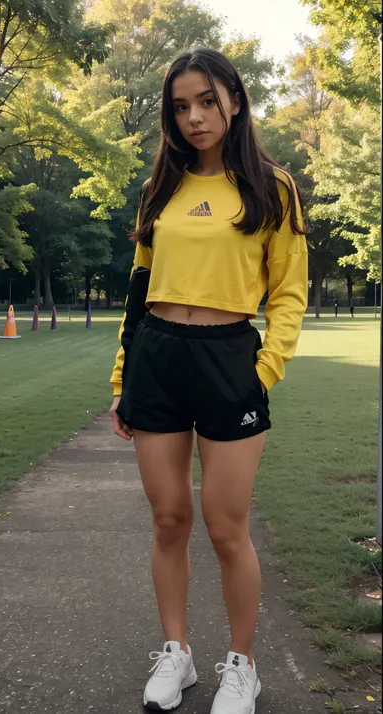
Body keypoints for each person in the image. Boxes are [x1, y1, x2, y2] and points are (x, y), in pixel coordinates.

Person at [109, 47, 308, 714]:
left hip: (229, 360)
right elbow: (138, 292)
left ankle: (242, 666)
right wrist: (124, 375)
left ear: (234, 97)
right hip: (158, 359)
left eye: (205, 100)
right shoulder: (159, 190)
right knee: (168, 519)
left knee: (227, 530)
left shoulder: (271, 188)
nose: (194, 116)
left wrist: (262, 370)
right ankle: (178, 654)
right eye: (180, 106)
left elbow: (288, 294)